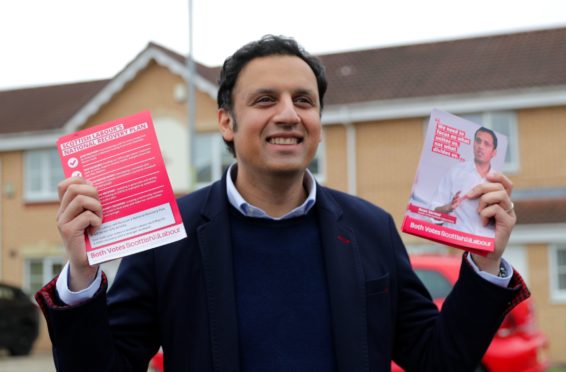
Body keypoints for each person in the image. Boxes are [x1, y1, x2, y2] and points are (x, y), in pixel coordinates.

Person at [36, 35, 528, 372]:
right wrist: (80, 279)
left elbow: (436, 358)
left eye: (304, 100)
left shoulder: (371, 228)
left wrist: (484, 264)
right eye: (266, 99)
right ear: (226, 123)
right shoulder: (170, 235)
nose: (289, 114)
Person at [431, 127, 502, 235]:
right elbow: (433, 213)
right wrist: (448, 207)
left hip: (484, 246)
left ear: (494, 153)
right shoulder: (455, 172)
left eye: (486, 144)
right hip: (454, 244)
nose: (480, 146)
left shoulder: (498, 182)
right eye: (478, 141)